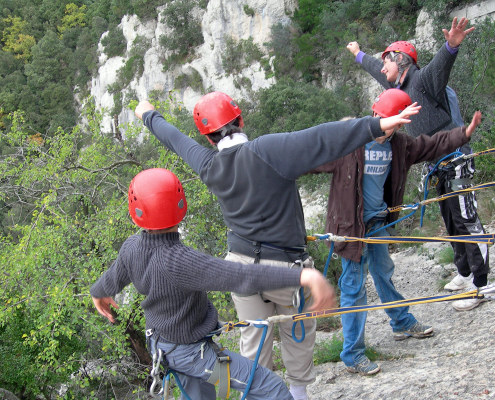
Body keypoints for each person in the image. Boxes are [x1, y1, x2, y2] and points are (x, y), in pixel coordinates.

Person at [134, 93, 419, 400]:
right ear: (241, 120)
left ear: (207, 136)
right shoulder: (267, 150)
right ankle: (297, 394)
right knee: (297, 336)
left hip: (239, 269)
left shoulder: (208, 164)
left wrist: (149, 115)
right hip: (286, 270)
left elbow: (174, 139)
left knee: (255, 346)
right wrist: (375, 126)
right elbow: (321, 138)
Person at [90, 168, 338, 400]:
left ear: (136, 214)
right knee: (272, 388)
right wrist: (302, 276)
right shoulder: (181, 261)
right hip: (192, 353)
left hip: (163, 344)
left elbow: (113, 279)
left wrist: (97, 293)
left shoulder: (131, 247)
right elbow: (241, 275)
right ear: (181, 207)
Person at [313, 89, 482, 375]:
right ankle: (352, 354)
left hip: (378, 222)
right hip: (351, 229)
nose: (384, 122)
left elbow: (431, 144)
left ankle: (401, 322)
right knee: (354, 289)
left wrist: (462, 134)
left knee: (384, 272)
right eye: (380, 116)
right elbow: (311, 157)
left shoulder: (399, 145)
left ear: (400, 122)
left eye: (391, 119)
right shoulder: (350, 141)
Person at [346, 16, 488, 312]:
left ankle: (481, 284)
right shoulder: (400, 88)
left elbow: (440, 66)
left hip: (456, 159)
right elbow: (376, 70)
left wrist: (451, 46)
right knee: (451, 221)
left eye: (388, 61)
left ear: (403, 61)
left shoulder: (424, 81)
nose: (382, 67)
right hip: (438, 166)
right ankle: (464, 273)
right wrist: (358, 53)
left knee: (466, 220)